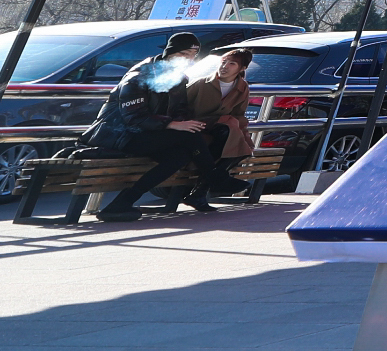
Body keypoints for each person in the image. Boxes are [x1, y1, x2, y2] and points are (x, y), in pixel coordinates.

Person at [84, 34, 218, 219]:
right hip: (119, 135)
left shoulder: (177, 78)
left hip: (147, 134)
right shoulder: (139, 76)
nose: (188, 59)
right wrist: (172, 124)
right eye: (183, 54)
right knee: (189, 136)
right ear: (169, 53)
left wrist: (185, 124)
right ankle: (215, 177)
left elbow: (180, 110)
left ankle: (120, 204)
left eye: (193, 55)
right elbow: (133, 118)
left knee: (181, 153)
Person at [186, 47, 257, 198]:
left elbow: (239, 115)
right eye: (223, 62)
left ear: (242, 68)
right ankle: (211, 186)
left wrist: (245, 137)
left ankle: (200, 192)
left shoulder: (242, 87)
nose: (224, 66)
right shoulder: (201, 83)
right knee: (231, 134)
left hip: (221, 131)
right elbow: (179, 107)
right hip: (196, 129)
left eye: (232, 64)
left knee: (241, 146)